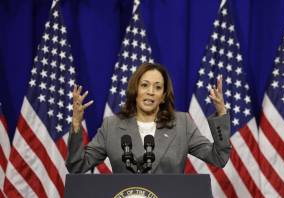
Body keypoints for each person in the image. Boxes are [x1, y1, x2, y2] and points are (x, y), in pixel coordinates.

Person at [66, 63, 231, 174]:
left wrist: (222, 113)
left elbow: (218, 157)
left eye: (157, 87)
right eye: (144, 85)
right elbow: (77, 166)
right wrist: (76, 124)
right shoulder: (112, 126)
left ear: (164, 96)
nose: (150, 91)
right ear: (135, 90)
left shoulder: (182, 124)